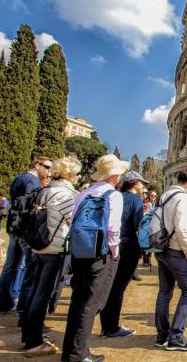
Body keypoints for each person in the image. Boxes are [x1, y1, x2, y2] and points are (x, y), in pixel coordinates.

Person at [60, 154, 128, 362]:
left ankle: (70, 351)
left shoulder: (83, 193)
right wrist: (114, 251)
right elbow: (113, 228)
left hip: (80, 250)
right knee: (92, 303)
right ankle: (78, 355)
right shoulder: (114, 195)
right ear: (115, 175)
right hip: (101, 253)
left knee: (78, 300)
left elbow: (71, 220)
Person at [21, 157, 80, 358]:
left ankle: (28, 335)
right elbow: (74, 220)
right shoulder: (63, 195)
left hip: (40, 246)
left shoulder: (44, 190)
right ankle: (34, 342)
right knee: (43, 295)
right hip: (55, 249)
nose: (78, 177)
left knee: (36, 291)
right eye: (76, 173)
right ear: (68, 174)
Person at [0, 156, 53, 316]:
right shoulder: (31, 181)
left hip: (14, 226)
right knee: (29, 266)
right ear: (37, 165)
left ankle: (4, 304)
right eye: (47, 167)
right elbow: (32, 205)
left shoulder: (19, 178)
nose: (49, 172)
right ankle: (22, 306)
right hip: (25, 229)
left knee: (11, 266)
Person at [98, 171, 149, 339]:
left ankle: (106, 325)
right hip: (128, 247)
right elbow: (138, 225)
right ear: (134, 183)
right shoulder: (136, 200)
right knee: (119, 288)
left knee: (110, 285)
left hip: (110, 245)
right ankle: (112, 327)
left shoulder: (115, 196)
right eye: (141, 183)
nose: (143, 186)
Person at [154, 170, 187, 351]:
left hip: (162, 247)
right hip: (176, 250)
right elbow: (181, 228)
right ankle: (176, 337)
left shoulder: (165, 195)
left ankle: (162, 335)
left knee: (164, 292)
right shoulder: (183, 198)